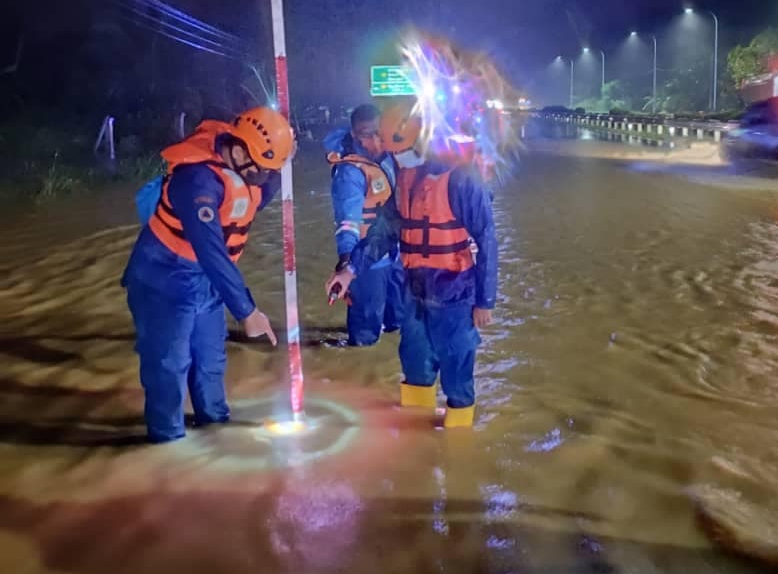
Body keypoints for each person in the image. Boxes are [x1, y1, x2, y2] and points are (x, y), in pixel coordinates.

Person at [122, 107, 296, 443]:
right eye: (263, 169)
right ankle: (167, 438)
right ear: (239, 152)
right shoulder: (196, 181)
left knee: (211, 359)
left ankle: (215, 426)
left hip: (208, 282)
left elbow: (258, 193)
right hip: (165, 279)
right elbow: (211, 251)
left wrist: (286, 155)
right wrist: (246, 311)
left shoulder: (245, 170)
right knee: (169, 364)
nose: (265, 177)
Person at [329, 105, 498, 426]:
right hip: (414, 289)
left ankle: (458, 438)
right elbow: (383, 232)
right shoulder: (405, 178)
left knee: (456, 365)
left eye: (400, 150)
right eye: (393, 152)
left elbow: (487, 238)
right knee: (415, 359)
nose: (395, 158)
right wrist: (349, 270)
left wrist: (485, 300)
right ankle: (416, 435)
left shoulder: (462, 177)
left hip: (454, 291)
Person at [321, 103, 403, 346]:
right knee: (365, 336)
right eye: (367, 135)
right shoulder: (350, 172)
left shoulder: (391, 156)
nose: (375, 141)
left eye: (379, 132)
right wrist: (348, 264)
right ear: (355, 135)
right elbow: (347, 222)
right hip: (367, 261)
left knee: (398, 322)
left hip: (396, 254)